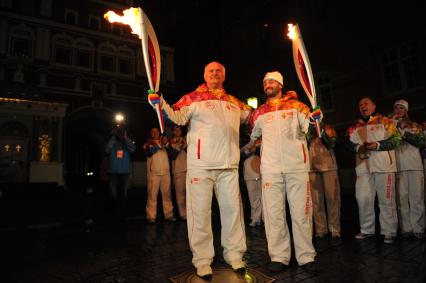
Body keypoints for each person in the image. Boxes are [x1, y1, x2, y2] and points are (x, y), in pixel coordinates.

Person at [148, 61, 251, 278]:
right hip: (201, 166)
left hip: (228, 166)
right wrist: (159, 102)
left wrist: (287, 104)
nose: (215, 73)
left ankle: (235, 255)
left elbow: (254, 117)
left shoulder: (234, 102)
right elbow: (174, 116)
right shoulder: (192, 98)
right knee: (200, 214)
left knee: (233, 213)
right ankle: (203, 260)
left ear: (224, 75)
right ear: (204, 75)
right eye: (211, 71)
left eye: (219, 71)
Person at [244, 71, 318, 272]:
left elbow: (309, 130)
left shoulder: (298, 106)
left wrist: (315, 119)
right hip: (270, 169)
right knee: (273, 214)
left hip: (297, 167)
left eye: (271, 81)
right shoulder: (259, 113)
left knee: (301, 213)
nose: (267, 84)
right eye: (265, 81)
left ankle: (306, 256)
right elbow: (253, 136)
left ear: (280, 84)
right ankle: (279, 256)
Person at [346, 97, 401, 244]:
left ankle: (389, 231)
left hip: (384, 167)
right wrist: (358, 147)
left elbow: (396, 140)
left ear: (374, 106)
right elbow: (349, 145)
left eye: (366, 103)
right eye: (360, 104)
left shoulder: (385, 121)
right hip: (363, 168)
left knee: (386, 200)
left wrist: (377, 145)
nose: (363, 106)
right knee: (363, 199)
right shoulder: (354, 127)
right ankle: (366, 230)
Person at [392, 99, 425, 239]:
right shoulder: (390, 126)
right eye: (396, 108)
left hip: (415, 165)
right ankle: (406, 228)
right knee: (402, 199)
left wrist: (404, 132)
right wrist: (394, 126)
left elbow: (420, 141)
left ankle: (418, 228)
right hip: (399, 166)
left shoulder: (414, 125)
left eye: (401, 108)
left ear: (406, 110)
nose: (398, 110)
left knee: (416, 198)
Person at [307, 123, 341, 239]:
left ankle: (334, 228)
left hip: (329, 167)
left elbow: (332, 143)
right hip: (312, 169)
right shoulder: (305, 130)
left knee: (333, 198)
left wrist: (321, 132)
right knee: (316, 201)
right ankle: (321, 229)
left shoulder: (328, 128)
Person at [143, 127, 176, 224]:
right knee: (152, 196)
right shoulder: (148, 143)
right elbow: (148, 153)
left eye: (156, 131)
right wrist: (158, 145)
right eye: (153, 131)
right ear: (151, 134)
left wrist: (166, 144)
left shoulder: (164, 143)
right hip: (153, 174)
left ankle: (169, 215)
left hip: (165, 173)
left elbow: (173, 154)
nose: (155, 133)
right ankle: (151, 216)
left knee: (167, 195)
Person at [105, 126, 136, 220]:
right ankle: (115, 213)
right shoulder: (112, 140)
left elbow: (132, 149)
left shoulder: (127, 141)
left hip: (125, 172)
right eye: (118, 131)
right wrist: (113, 137)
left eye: (121, 131)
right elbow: (107, 149)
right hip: (113, 172)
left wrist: (126, 138)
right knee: (113, 193)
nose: (120, 133)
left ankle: (123, 213)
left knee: (124, 194)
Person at [168, 125, 187, 220]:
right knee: (180, 194)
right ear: (173, 132)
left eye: (179, 129)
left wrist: (184, 144)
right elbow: (172, 155)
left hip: (189, 169)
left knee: (191, 193)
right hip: (178, 171)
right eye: (175, 129)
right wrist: (179, 147)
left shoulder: (186, 139)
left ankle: (192, 213)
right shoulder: (170, 142)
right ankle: (183, 214)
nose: (177, 131)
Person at [242, 138, 262, 227]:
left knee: (263, 198)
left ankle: (264, 219)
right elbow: (242, 155)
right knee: (253, 199)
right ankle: (255, 219)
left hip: (261, 175)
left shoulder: (260, 146)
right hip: (249, 176)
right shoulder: (244, 150)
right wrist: (249, 148)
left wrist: (256, 146)